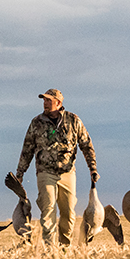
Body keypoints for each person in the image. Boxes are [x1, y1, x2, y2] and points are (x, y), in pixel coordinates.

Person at [14, 89, 99, 246]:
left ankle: (65, 247)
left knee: (68, 214)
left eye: (48, 100)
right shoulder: (36, 123)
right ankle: (50, 250)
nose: (45, 103)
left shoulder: (74, 120)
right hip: (45, 173)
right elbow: (27, 150)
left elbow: (86, 145)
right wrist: (20, 173)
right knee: (48, 210)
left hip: (68, 173)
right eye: (44, 100)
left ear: (58, 102)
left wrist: (92, 168)